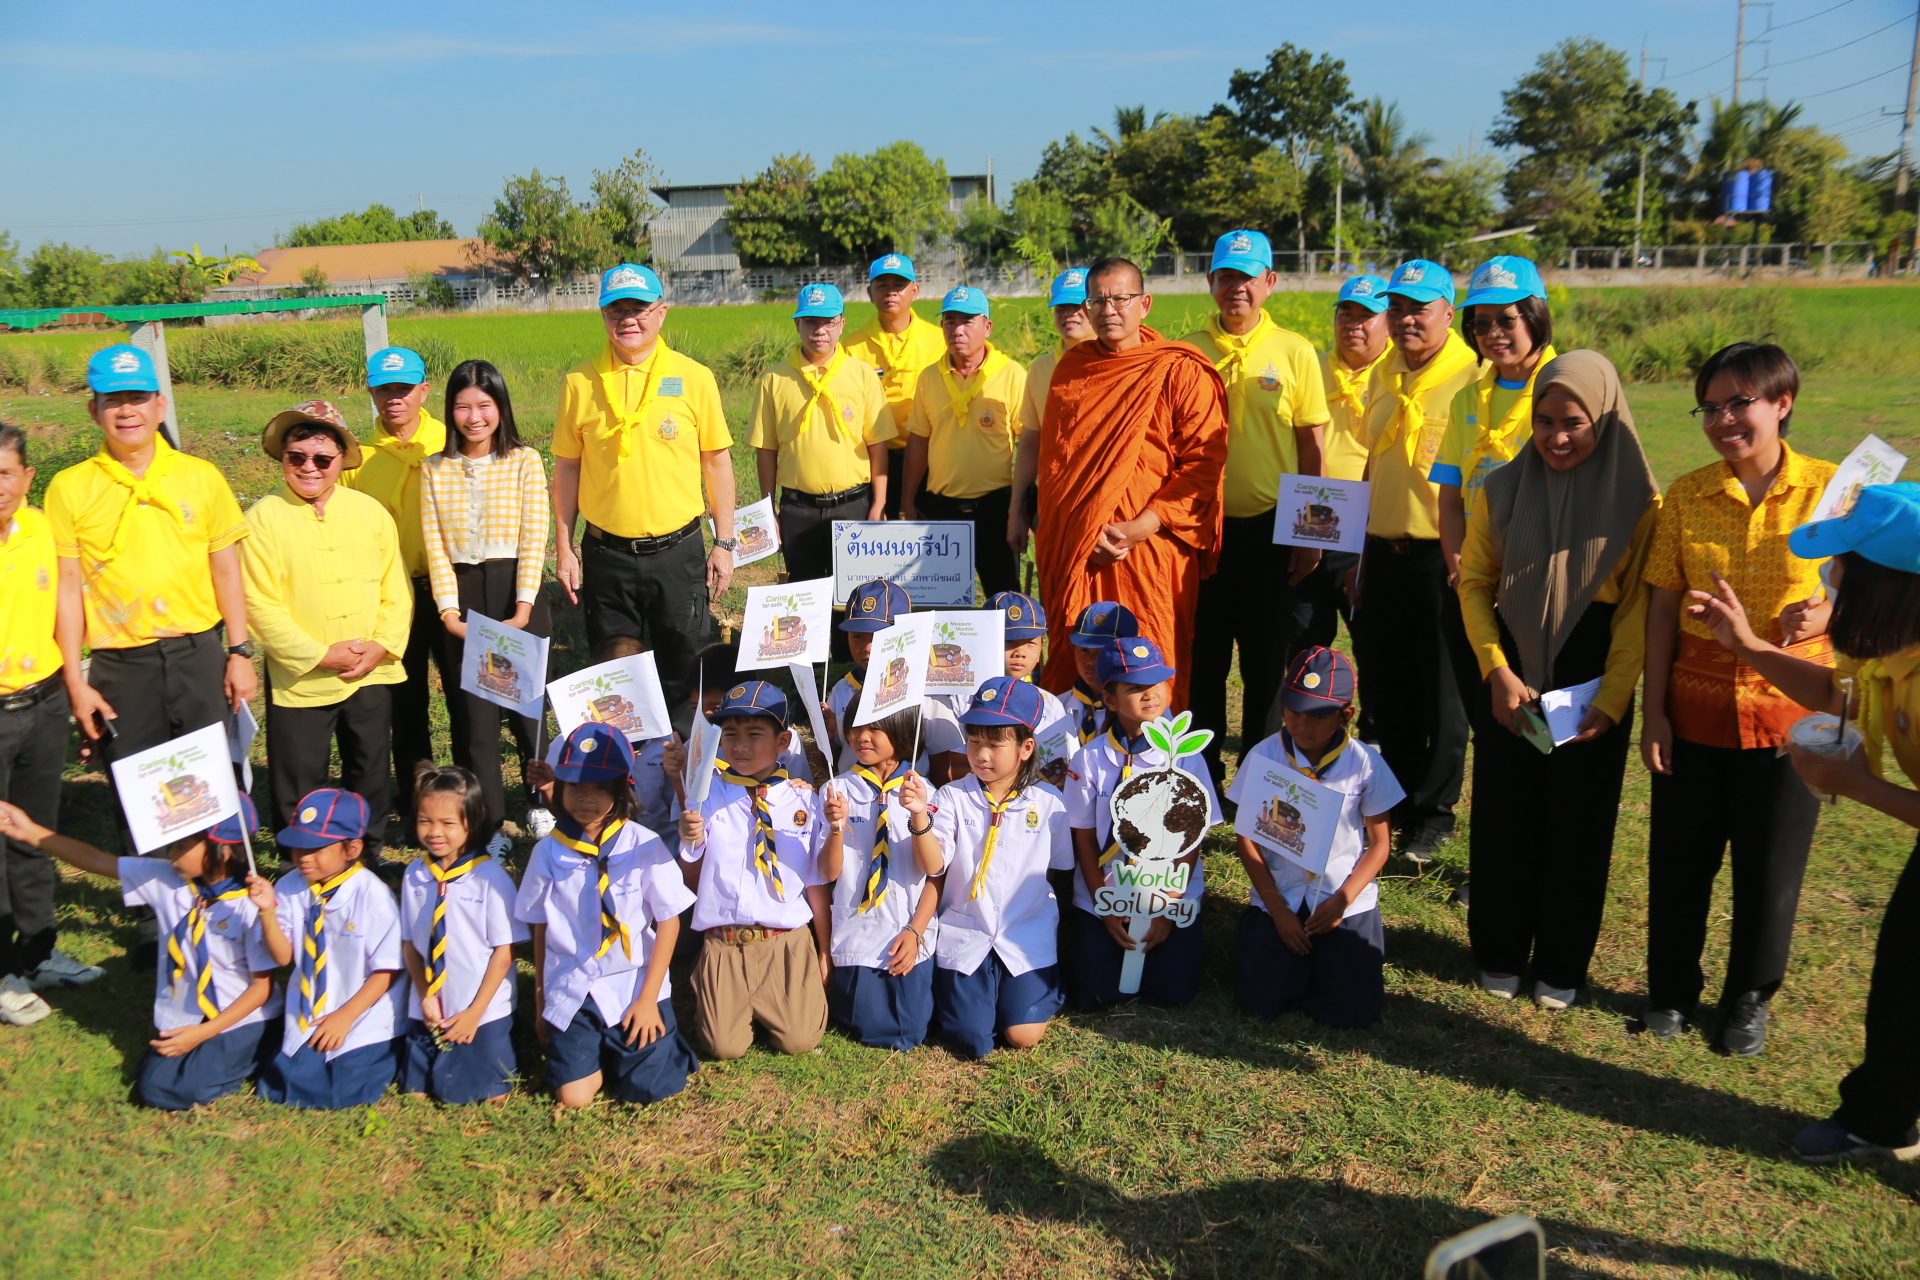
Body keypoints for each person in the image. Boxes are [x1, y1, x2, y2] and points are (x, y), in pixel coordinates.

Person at [1684, 483, 1920, 1162]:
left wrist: (1858, 786)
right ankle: (1881, 1118)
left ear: (1886, 584)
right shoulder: (1886, 642)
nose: (1827, 580)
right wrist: (1748, 644)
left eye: (1840, 568)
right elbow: (1829, 691)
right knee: (1906, 969)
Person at [1639, 342, 1835, 1054]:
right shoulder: (1689, 495)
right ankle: (1670, 991)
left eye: (1740, 403)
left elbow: (1871, 592)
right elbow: (1660, 609)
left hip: (1791, 718)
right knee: (1681, 862)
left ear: (1783, 402)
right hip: (1694, 710)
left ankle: (1750, 998)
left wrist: (1829, 615)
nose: (1724, 419)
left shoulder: (1834, 491)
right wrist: (1653, 709)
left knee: (1770, 869)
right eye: (1711, 407)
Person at [1457, 351, 1659, 1010]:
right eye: (1544, 421)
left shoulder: (1638, 502)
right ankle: (1499, 952)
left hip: (1592, 671)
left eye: (1574, 421)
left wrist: (1613, 694)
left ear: (1605, 417)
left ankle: (1562, 965)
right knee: (1505, 813)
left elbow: (1637, 610)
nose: (1557, 436)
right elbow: (1477, 583)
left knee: (1579, 822)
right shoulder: (1503, 489)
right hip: (1513, 669)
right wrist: (1495, 668)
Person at [48, 344, 255, 982]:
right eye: (113, 401)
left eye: (138, 398)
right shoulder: (71, 488)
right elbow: (66, 588)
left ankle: (227, 894)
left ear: (159, 404)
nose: (127, 411)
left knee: (211, 780)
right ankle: (151, 918)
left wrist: (239, 650)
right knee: (136, 789)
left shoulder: (200, 477)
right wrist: (76, 680)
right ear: (94, 410)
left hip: (196, 651)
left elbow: (227, 568)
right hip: (118, 661)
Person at [1032, 257, 1230, 711]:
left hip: (1152, 547)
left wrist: (1141, 525)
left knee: (1151, 657)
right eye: (1097, 300)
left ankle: (1155, 768)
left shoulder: (1179, 370)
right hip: (1083, 551)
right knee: (1081, 650)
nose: (1109, 310)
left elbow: (1204, 463)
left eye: (1120, 299)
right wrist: (1082, 535)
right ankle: (1079, 766)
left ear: (1144, 303)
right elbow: (1059, 469)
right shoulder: (1074, 370)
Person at [0, 795, 282, 1108]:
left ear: (222, 851)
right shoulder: (167, 878)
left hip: (243, 1017)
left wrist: (202, 1035)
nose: (172, 853)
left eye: (181, 845)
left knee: (167, 1091)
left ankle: (264, 1048)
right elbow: (95, 860)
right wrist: (30, 832)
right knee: (153, 1082)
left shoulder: (253, 904)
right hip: (189, 1013)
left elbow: (261, 989)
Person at [552, 264, 736, 717]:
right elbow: (567, 469)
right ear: (602, 314)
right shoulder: (580, 382)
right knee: (617, 678)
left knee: (686, 671)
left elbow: (717, 463)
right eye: (616, 310)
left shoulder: (694, 377)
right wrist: (564, 547)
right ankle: (629, 774)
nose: (628, 320)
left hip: (678, 552)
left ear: (662, 312)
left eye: (639, 309)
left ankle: (687, 772)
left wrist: (725, 542)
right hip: (606, 555)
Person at [1182, 230, 1331, 789]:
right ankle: (1203, 774)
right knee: (1206, 658)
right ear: (1211, 282)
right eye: (1226, 276)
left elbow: (1311, 446)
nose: (1236, 288)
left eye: (1248, 277)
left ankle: (1262, 775)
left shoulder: (1294, 351)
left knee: (1268, 663)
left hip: (1271, 530)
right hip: (1204, 531)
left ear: (1269, 282)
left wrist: (1310, 533)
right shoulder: (1188, 350)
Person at [1350, 259, 1483, 859]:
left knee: (1444, 691)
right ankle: (1396, 797)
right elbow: (1373, 464)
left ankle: (1434, 812)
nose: (1406, 319)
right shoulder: (1384, 374)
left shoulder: (1472, 376)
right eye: (1397, 307)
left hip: (1443, 555)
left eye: (1419, 308)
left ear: (1448, 313)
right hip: (1382, 549)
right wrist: (1357, 552)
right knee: (1387, 684)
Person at [242, 401, 411, 869]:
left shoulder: (370, 512)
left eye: (322, 459)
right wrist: (318, 654)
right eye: (297, 457)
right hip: (301, 678)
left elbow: (394, 588)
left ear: (341, 461)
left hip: (370, 669)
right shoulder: (262, 518)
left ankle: (367, 854)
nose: (309, 468)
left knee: (370, 768)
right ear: (283, 460)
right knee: (299, 776)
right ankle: (301, 861)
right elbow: (259, 605)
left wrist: (381, 645)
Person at [516, 724, 698, 1107]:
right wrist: (541, 1000)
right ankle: (596, 1052)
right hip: (574, 987)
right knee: (574, 1098)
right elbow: (541, 925)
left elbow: (669, 920)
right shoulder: (548, 852)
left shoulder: (644, 845)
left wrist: (649, 998)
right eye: (575, 786)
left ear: (620, 791)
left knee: (649, 1090)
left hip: (634, 982)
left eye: (600, 788)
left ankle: (660, 1041)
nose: (586, 798)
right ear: (559, 788)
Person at [1229, 648, 1401, 1027]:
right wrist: (1276, 909)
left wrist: (1343, 900)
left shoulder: (1365, 764)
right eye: (1293, 712)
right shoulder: (1266, 754)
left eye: (1319, 717)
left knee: (1353, 1013)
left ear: (1346, 715)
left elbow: (1380, 844)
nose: (1302, 726)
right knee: (1260, 1002)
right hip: (1281, 895)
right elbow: (1246, 838)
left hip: (1341, 900)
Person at [420, 360, 552, 849]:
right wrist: (449, 614)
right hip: (464, 596)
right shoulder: (434, 468)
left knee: (527, 711)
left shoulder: (524, 460)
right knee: (475, 720)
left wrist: (521, 610)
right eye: (462, 407)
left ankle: (540, 803)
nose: (473, 417)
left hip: (516, 590)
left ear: (500, 407)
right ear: (450, 411)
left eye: (484, 405)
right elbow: (435, 545)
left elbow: (534, 536)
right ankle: (491, 823)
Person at [1432, 257, 1558, 723]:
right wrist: (1459, 568)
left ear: (1536, 316)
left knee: (1544, 725)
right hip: (1477, 587)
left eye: (1508, 318)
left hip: (1544, 592)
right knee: (1489, 722)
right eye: (1481, 323)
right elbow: (1449, 496)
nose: (1494, 333)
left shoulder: (1566, 386)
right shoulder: (1467, 397)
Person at [677, 681, 830, 1060]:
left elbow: (815, 883)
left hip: (784, 940)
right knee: (722, 1046)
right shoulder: (706, 797)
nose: (740, 746)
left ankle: (777, 995)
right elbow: (690, 878)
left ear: (782, 742)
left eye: (754, 735)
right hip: (724, 940)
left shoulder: (803, 800)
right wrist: (691, 839)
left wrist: (824, 950)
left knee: (799, 1040)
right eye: (730, 735)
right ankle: (715, 981)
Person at [920, 677, 1073, 1058]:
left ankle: (1030, 989)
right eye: (974, 742)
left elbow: (1059, 867)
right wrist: (919, 819)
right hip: (966, 931)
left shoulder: (1049, 802)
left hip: (1025, 932)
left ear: (1026, 748)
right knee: (972, 1041)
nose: (981, 754)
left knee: (1023, 1036)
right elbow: (935, 864)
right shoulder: (952, 797)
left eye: (994, 743)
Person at [1065, 638, 1219, 1010]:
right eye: (1135, 688)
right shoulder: (1089, 760)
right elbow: (1084, 838)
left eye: (1157, 684)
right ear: (1111, 700)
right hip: (1103, 897)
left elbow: (1192, 840)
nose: (1150, 694)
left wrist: (1168, 907)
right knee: (1093, 996)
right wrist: (1103, 904)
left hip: (1167, 895)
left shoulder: (1187, 759)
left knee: (1171, 993)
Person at [255, 789, 408, 1109]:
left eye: (315, 847)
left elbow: (387, 971)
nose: (303, 856)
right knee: (281, 1083)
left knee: (343, 1089)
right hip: (310, 1007)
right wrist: (267, 912)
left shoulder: (373, 894)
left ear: (352, 848)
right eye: (297, 845)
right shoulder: (289, 886)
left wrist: (345, 1016)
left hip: (364, 1010)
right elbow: (282, 957)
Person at [343, 346, 445, 821]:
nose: (394, 399)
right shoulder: (358, 460)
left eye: (404, 389)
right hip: (393, 599)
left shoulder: (451, 443)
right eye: (385, 389)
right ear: (371, 392)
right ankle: (414, 797)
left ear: (424, 390)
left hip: (450, 593)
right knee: (406, 703)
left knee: (468, 698)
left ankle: (466, 791)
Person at [397, 764, 528, 1105]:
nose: (434, 832)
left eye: (447, 823)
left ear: (472, 824)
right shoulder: (414, 874)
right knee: (415, 1090)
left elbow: (504, 954)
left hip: (481, 1005)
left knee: (492, 1094)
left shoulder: (491, 879)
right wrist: (425, 995)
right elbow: (411, 944)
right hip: (430, 1004)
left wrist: (474, 1013)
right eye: (425, 821)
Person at [0, 423, 73, 1013]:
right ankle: (2, 973)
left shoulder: (45, 529)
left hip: (44, 699)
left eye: (5, 472)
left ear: (27, 477)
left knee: (35, 832)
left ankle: (39, 950)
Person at [750, 282, 891, 584]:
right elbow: (766, 450)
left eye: (828, 322)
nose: (820, 331)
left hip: (854, 504)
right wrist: (768, 509)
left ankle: (844, 635)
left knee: (856, 594)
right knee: (805, 593)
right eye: (811, 321)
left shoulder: (861, 374)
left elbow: (877, 444)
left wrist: (878, 503)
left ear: (841, 324)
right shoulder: (775, 379)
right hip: (798, 509)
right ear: (797, 324)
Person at [817, 705, 940, 1050]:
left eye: (874, 728)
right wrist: (836, 829)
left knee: (912, 1029)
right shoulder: (835, 790)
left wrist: (918, 814)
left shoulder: (924, 790)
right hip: (857, 930)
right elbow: (827, 873)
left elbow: (934, 869)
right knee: (869, 1024)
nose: (860, 737)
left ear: (902, 731)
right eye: (855, 727)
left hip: (908, 926)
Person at [903, 286, 1027, 599]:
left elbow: (1028, 444)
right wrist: (908, 500)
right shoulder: (930, 377)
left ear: (987, 327)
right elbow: (919, 440)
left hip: (995, 506)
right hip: (941, 507)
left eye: (967, 321)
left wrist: (1021, 508)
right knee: (940, 601)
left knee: (1004, 601)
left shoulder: (1011, 374)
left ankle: (1009, 650)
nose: (957, 330)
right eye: (949, 321)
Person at [824, 580, 966, 781]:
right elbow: (837, 756)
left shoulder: (927, 692)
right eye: (857, 636)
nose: (867, 646)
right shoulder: (842, 689)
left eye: (879, 635)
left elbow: (942, 764)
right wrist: (827, 735)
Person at [841, 254, 946, 520]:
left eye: (899, 285)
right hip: (871, 459)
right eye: (882, 285)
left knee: (927, 538)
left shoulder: (939, 341)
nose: (891, 293)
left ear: (915, 290)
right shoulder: (851, 347)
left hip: (928, 455)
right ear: (869, 292)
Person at [1009, 269, 1095, 559]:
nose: (1069, 314)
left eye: (1078, 305)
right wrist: (1017, 510)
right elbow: (1031, 443)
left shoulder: (1120, 362)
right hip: (1052, 506)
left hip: (1104, 507)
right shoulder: (1040, 369)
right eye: (1061, 307)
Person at [1064, 602, 1140, 745]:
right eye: (1084, 650)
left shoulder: (1141, 710)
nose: (1091, 661)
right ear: (1072, 648)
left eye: (1103, 652)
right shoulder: (1056, 707)